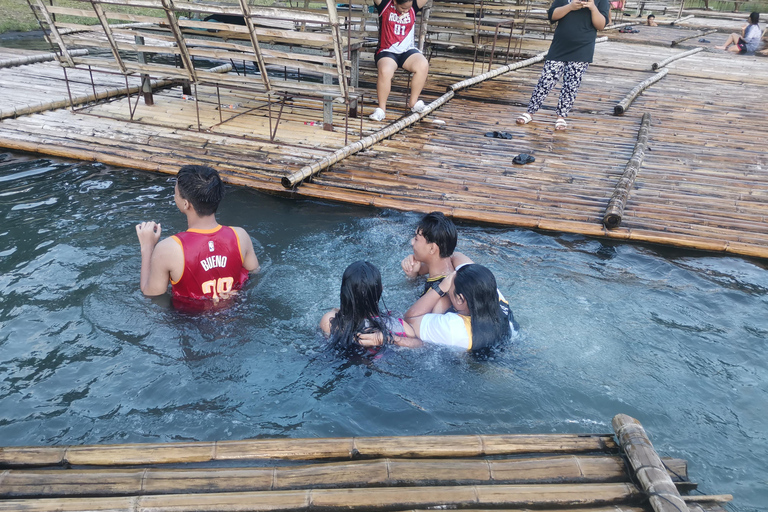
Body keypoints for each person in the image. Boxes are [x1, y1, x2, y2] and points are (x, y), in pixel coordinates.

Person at [136, 165, 260, 309]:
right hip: (235, 315)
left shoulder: (169, 249)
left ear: (186, 204)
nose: (174, 196)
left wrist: (147, 247)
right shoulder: (240, 236)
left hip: (190, 321)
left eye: (176, 193)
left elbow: (151, 294)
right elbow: (255, 273)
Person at [360, 264, 516, 351]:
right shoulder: (496, 295)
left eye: (450, 292)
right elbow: (461, 260)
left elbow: (411, 319)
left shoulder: (453, 329)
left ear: (461, 299)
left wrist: (441, 287)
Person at [516, 0, 610, 131]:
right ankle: (530, 112)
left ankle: (561, 117)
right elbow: (552, 16)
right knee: (546, 80)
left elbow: (601, 25)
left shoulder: (601, 1)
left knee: (571, 85)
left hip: (582, 49)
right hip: (559, 47)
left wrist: (593, 8)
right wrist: (570, 6)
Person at [320, 261, 420, 349]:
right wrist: (388, 339)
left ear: (344, 292)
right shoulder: (398, 325)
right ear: (381, 289)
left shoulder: (331, 322)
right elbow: (421, 345)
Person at [369, 0, 430, 122]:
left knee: (423, 64)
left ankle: (413, 103)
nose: (406, 11)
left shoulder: (413, 5)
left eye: (408, 9)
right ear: (395, 2)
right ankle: (381, 110)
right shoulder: (385, 4)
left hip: (407, 51)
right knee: (385, 71)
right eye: (402, 8)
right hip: (387, 51)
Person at [400, 212, 472, 309]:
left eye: (416, 239)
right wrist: (413, 275)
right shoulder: (456, 260)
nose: (412, 242)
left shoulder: (440, 295)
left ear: (432, 248)